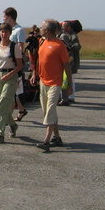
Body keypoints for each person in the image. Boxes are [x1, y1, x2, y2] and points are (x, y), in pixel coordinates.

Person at [30, 19, 72, 152]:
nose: (40, 29)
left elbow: (66, 66)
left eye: (42, 27)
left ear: (48, 30)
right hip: (43, 81)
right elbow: (39, 61)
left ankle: (46, 141)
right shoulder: (42, 41)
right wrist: (34, 74)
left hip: (55, 83)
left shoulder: (59, 45)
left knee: (50, 110)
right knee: (48, 112)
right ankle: (57, 138)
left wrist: (69, 84)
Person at [0, 23, 24, 144]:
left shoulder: (14, 47)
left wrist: (10, 74)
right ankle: (13, 125)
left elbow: (19, 65)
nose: (4, 34)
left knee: (3, 103)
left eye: (6, 32)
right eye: (2, 32)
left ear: (10, 33)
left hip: (10, 76)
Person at [2, 7, 27, 120]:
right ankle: (21, 110)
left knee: (15, 90)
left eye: (5, 17)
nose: (3, 19)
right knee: (15, 91)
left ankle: (9, 116)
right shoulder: (7, 30)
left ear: (10, 17)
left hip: (15, 64)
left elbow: (21, 48)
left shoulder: (19, 30)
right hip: (6, 63)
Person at [59, 21, 82, 104]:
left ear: (69, 27)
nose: (62, 27)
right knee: (68, 77)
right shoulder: (65, 34)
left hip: (71, 60)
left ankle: (71, 96)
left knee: (70, 77)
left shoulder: (72, 35)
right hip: (68, 59)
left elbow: (77, 45)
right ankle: (68, 96)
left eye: (64, 26)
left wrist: (69, 47)